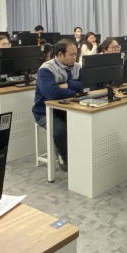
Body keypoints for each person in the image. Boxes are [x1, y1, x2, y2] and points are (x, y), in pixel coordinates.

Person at [32, 39, 81, 171]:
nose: (74, 57)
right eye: (71, 54)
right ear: (60, 54)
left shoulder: (77, 67)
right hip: (45, 111)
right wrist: (75, 92)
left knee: (83, 123)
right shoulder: (46, 69)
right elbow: (51, 93)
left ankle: (79, 154)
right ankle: (64, 156)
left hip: (68, 108)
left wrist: (68, 85)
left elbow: (85, 85)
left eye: (76, 54)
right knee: (60, 130)